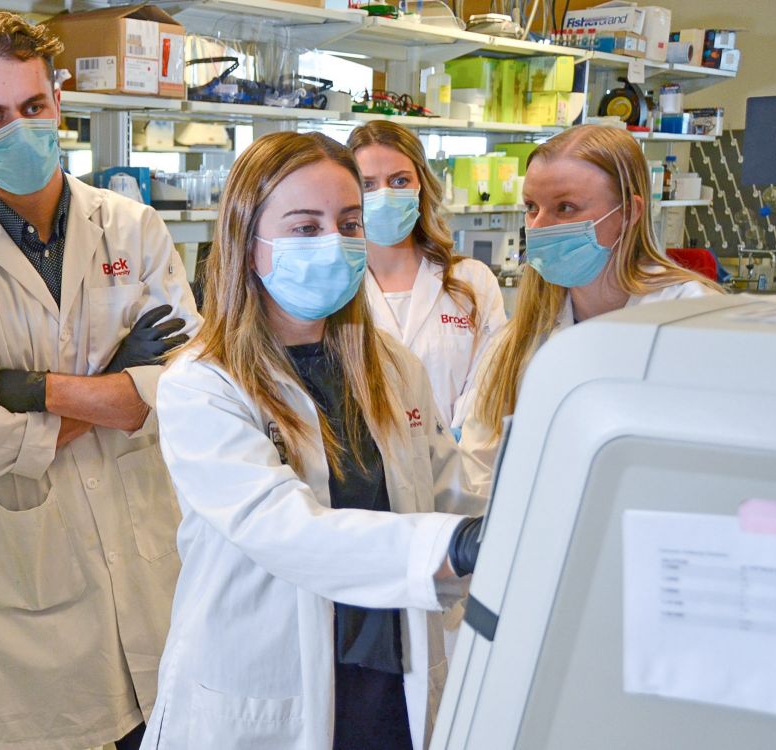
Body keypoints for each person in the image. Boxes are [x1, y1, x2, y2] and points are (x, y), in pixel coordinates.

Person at [0, 13, 199, 750]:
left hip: (151, 561)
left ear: (58, 101)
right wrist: (116, 385)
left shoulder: (134, 229)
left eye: (32, 108)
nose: (19, 129)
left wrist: (34, 389)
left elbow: (184, 388)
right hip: (36, 578)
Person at [144, 131, 486, 750]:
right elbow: (287, 529)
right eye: (305, 227)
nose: (334, 243)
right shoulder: (203, 383)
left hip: (388, 686)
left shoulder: (390, 367)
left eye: (348, 223)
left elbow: (450, 491)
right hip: (267, 696)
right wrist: (456, 544)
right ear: (249, 245)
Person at [456, 124, 723, 495]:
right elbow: (480, 468)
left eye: (565, 208)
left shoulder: (696, 324)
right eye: (531, 207)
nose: (539, 227)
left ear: (629, 212)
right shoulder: (520, 340)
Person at [349, 121, 507, 428]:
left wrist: (453, 455)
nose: (384, 195)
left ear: (421, 186)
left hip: (459, 466)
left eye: (399, 181)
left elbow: (489, 387)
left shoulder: (472, 281)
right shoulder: (335, 289)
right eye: (367, 184)